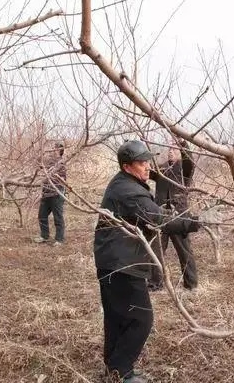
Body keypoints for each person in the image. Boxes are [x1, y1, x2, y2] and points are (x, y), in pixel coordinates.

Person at [93, 140, 202, 383]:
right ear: (127, 166)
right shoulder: (129, 191)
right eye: (141, 162)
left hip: (113, 260)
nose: (146, 166)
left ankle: (113, 368)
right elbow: (158, 219)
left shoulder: (124, 182)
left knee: (117, 317)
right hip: (123, 264)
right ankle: (121, 372)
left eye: (147, 160)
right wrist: (197, 221)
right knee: (142, 320)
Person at [147, 139, 197, 291]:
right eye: (169, 149)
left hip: (179, 217)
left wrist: (182, 143)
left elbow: (189, 160)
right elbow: (147, 170)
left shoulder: (185, 170)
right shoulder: (161, 169)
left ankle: (191, 285)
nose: (170, 151)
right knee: (156, 251)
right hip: (160, 215)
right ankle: (155, 284)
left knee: (184, 252)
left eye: (174, 150)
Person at [33, 142, 66, 246]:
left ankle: (59, 239)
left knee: (58, 217)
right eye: (53, 148)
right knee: (42, 215)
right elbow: (39, 164)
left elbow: (59, 179)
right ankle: (44, 236)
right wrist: (39, 153)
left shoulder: (62, 163)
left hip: (56, 193)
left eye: (56, 149)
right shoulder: (48, 161)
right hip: (46, 193)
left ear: (60, 151)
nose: (54, 150)